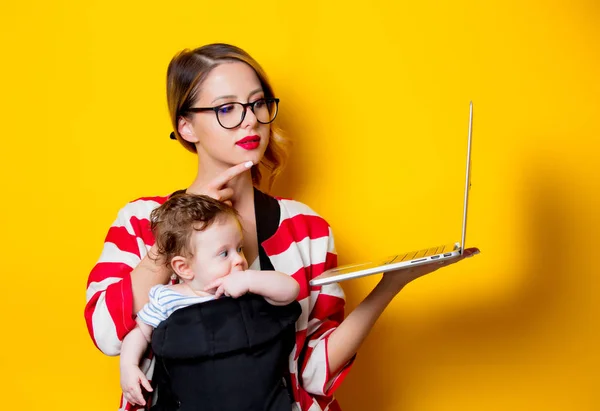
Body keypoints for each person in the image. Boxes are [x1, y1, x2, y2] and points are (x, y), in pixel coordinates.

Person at [84, 42, 479, 411]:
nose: (250, 121)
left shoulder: (306, 228)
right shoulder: (141, 221)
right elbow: (107, 335)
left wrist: (391, 285)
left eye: (258, 104)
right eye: (227, 109)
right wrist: (174, 232)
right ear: (186, 127)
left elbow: (313, 372)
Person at [119, 192, 301, 410]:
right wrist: (129, 366)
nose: (239, 260)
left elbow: (291, 290)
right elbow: (139, 331)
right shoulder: (168, 298)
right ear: (184, 268)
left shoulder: (247, 287)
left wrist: (251, 279)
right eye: (224, 254)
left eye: (239, 248)